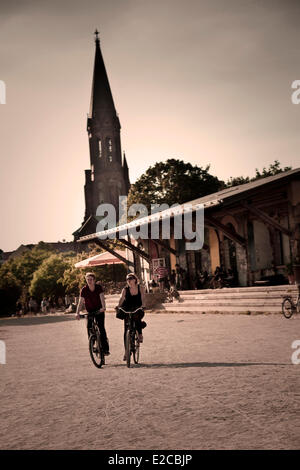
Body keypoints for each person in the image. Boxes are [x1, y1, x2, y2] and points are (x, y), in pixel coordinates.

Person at [75, 272, 110, 356]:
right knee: (89, 327)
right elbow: (80, 302)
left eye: (91, 279)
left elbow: (102, 298)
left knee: (101, 328)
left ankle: (105, 349)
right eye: (88, 279)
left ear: (94, 280)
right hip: (90, 311)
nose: (89, 281)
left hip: (99, 310)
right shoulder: (84, 289)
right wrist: (77, 313)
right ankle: (92, 344)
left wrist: (103, 307)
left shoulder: (98, 288)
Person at [116, 273, 146, 361]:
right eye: (127, 279)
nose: (129, 280)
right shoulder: (125, 289)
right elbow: (122, 298)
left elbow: (143, 298)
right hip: (127, 308)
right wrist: (118, 306)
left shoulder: (140, 288)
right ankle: (126, 351)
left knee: (137, 318)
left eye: (130, 279)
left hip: (138, 307)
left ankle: (139, 334)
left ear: (135, 279)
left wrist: (143, 305)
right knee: (126, 331)